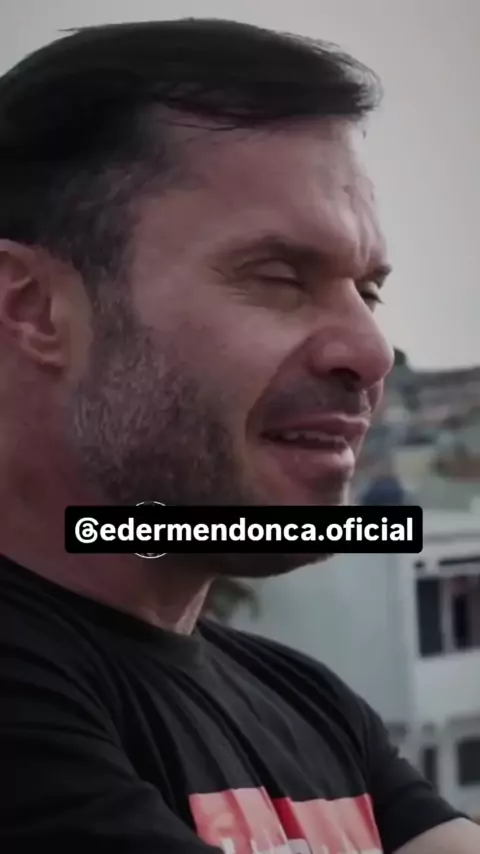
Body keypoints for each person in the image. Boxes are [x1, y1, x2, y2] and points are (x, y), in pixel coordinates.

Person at [0, 18, 477, 854]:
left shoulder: (310, 704)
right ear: (33, 308)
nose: (370, 352)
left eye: (367, 291)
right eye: (280, 276)